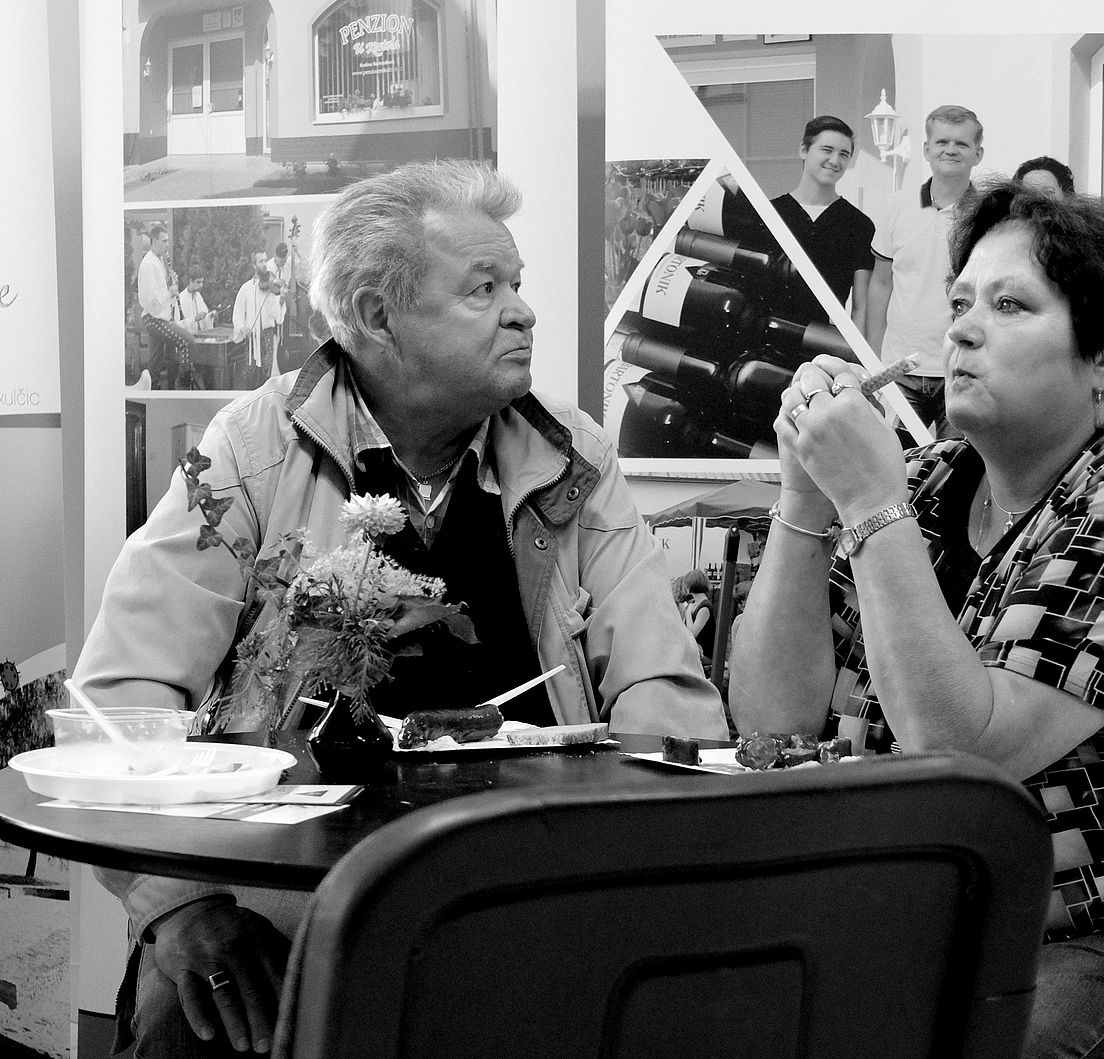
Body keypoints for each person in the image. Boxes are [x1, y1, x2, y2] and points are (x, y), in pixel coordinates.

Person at [75, 159, 728, 1057]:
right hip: (284, 885)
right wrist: (177, 905)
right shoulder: (251, 451)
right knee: (190, 1011)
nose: (523, 312)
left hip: (529, 873)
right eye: (483, 288)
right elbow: (122, 699)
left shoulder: (572, 457)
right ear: (378, 316)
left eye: (516, 284)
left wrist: (637, 872)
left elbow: (662, 688)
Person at [730, 182, 1104, 1058]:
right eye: (960, 303)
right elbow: (770, 722)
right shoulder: (928, 484)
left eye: (1009, 306)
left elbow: (968, 752)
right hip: (949, 920)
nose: (964, 330)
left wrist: (868, 500)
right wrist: (805, 494)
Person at [865, 104, 984, 439]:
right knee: (891, 461)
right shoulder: (895, 206)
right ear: (927, 149)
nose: (951, 150)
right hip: (899, 368)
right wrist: (873, 357)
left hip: (961, 365)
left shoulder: (988, 214)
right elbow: (881, 282)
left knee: (956, 466)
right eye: (942, 142)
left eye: (961, 143)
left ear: (978, 153)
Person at [770, 115, 876, 333]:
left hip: (823, 342)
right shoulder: (769, 214)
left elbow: (861, 308)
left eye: (844, 154)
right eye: (827, 150)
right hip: (765, 336)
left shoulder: (859, 225)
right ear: (804, 150)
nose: (835, 161)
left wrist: (854, 350)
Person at [138, 224, 193, 389]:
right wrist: (170, 292)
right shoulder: (149, 264)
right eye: (164, 241)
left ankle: (154, 391)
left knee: (157, 361)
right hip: (154, 319)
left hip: (159, 317)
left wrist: (170, 283)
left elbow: (159, 292)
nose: (167, 245)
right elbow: (150, 300)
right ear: (154, 241)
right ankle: (184, 387)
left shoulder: (157, 260)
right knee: (187, 341)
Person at [228, 250, 285, 389]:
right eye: (261, 261)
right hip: (251, 338)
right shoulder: (246, 288)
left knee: (266, 379)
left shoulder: (272, 287)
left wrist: (281, 301)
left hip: (267, 336)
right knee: (250, 377)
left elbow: (277, 316)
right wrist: (242, 327)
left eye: (266, 260)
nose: (265, 264)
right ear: (254, 265)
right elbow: (237, 313)